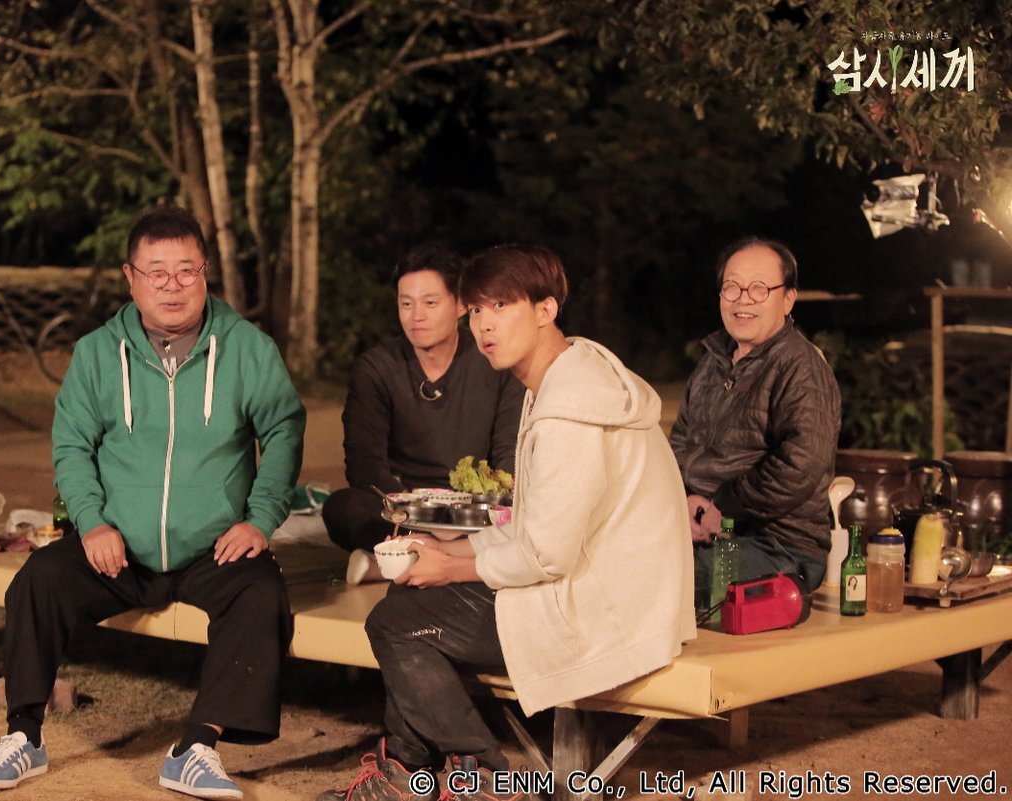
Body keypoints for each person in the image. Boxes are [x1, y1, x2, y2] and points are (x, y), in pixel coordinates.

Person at [319, 245, 695, 801]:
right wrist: (445, 550)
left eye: (501, 305)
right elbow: (532, 523)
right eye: (476, 309)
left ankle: (483, 780)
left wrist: (450, 568)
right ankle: (407, 768)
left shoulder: (569, 409)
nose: (484, 324)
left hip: (602, 609)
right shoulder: (564, 378)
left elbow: (546, 554)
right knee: (409, 602)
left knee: (396, 624)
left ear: (545, 310)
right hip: (607, 589)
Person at [0, 207, 306, 798]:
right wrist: (92, 523)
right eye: (157, 272)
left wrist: (259, 520)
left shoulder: (247, 348)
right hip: (118, 546)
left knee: (260, 591)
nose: (172, 286)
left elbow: (283, 430)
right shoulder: (98, 353)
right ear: (131, 278)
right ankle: (24, 734)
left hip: (212, 546)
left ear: (205, 272)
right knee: (39, 579)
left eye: (186, 270)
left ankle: (196, 748)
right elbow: (72, 444)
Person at [321, 243, 523, 581]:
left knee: (526, 510)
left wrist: (473, 510)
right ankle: (428, 550)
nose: (417, 316)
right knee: (342, 508)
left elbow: (509, 459)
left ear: (460, 305)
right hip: (405, 511)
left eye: (430, 303)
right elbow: (364, 464)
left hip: (475, 514)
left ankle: (399, 559)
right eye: (406, 304)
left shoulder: (494, 361)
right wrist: (415, 512)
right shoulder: (377, 368)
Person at [669, 237, 841, 608]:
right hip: (703, 530)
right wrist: (684, 499)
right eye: (731, 286)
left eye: (759, 288)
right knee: (607, 552)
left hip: (779, 547)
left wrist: (723, 507)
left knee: (658, 577)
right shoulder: (712, 362)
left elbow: (801, 464)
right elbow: (680, 442)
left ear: (788, 299)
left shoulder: (799, 367)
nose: (742, 299)